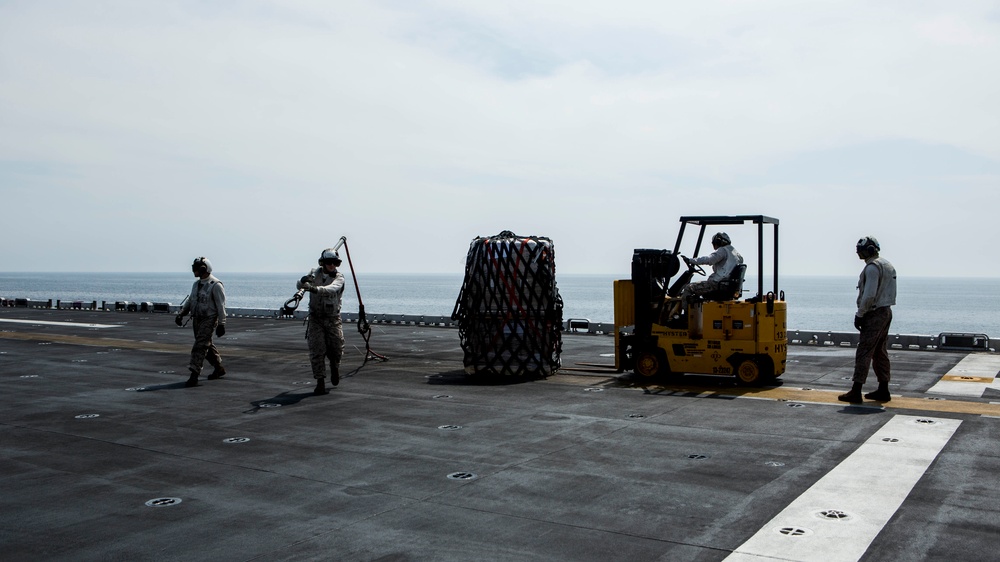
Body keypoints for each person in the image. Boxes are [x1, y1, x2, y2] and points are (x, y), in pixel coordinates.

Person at [838, 236, 897, 403]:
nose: (859, 253)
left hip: (874, 313)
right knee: (880, 352)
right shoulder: (887, 265)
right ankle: (883, 389)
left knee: (864, 351)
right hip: (886, 312)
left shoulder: (872, 268)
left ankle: (856, 391)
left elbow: (869, 295)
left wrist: (860, 314)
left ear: (870, 249)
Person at [298, 248, 346, 396]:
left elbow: (331, 289)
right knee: (316, 351)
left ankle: (335, 367)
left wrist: (313, 288)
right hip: (316, 318)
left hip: (333, 319)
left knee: (336, 349)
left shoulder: (339, 278)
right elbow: (300, 285)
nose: (332, 265)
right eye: (329, 262)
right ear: (323, 263)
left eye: (335, 263)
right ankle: (320, 382)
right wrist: (302, 281)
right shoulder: (314, 273)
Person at [175, 257, 227, 387]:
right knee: (207, 346)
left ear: (204, 268)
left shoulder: (215, 285)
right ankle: (218, 368)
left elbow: (221, 307)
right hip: (197, 319)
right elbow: (191, 300)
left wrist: (222, 324)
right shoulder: (196, 284)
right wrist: (181, 314)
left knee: (199, 346)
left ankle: (194, 374)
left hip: (209, 319)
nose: (194, 270)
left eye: (197, 268)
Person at [669, 232, 744, 318]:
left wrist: (691, 260)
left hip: (717, 284)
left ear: (718, 242)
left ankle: (686, 317)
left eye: (714, 243)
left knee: (688, 288)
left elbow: (709, 260)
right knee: (696, 293)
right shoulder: (736, 253)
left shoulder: (723, 250)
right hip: (727, 286)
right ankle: (697, 315)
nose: (714, 245)